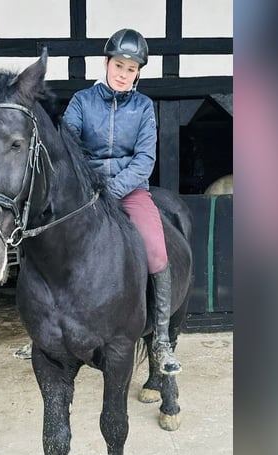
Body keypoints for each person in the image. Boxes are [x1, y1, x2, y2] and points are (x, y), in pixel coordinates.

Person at [62, 28, 181, 375]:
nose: (123, 74)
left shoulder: (144, 107)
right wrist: (90, 186)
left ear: (138, 73)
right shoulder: (82, 102)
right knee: (48, 238)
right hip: (85, 192)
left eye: (131, 69)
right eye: (119, 65)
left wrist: (111, 191)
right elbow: (69, 147)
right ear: (107, 63)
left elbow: (145, 159)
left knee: (157, 252)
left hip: (130, 192)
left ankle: (160, 340)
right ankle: (46, 330)